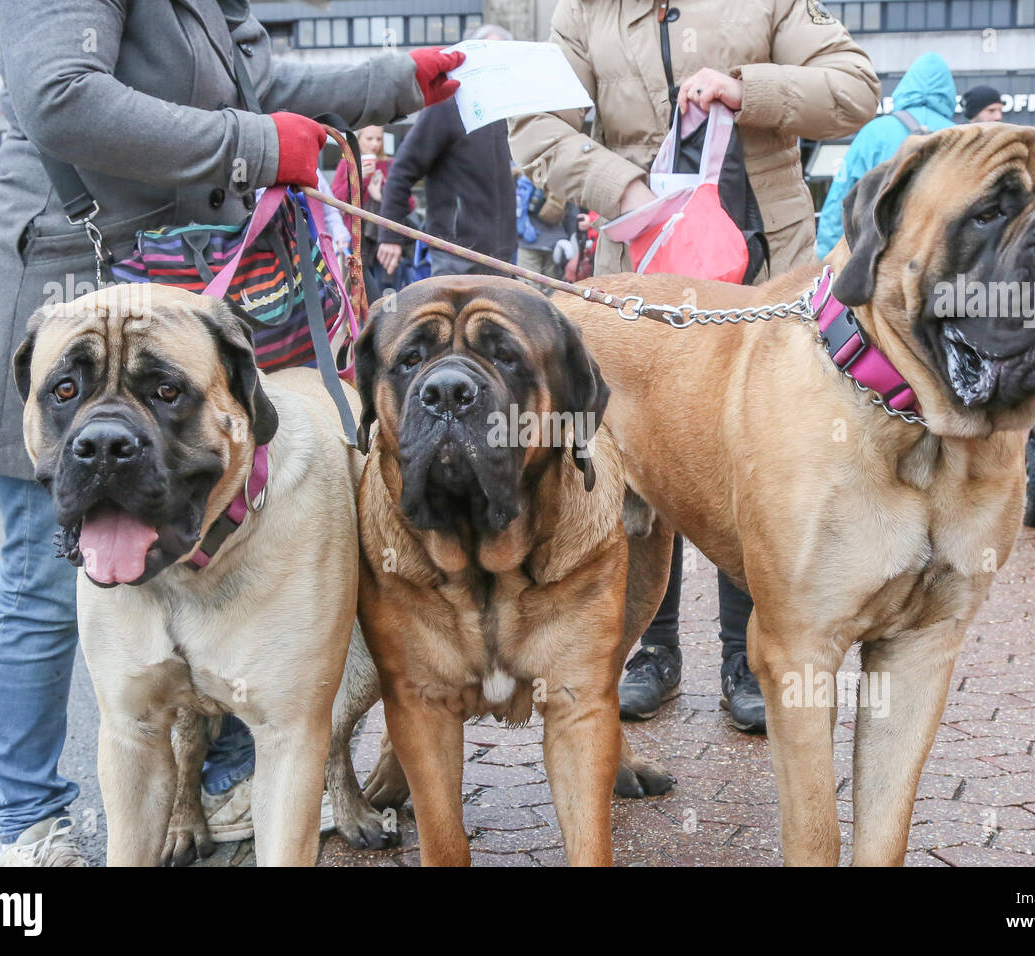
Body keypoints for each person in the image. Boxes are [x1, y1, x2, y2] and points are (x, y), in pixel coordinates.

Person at [0, 0, 461, 866]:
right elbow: (61, 94)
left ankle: (222, 779)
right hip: (67, 279)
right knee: (40, 578)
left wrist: (396, 80)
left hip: (188, 287)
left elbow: (260, 83)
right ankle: (29, 821)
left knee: (231, 546)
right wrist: (253, 146)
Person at [510, 0, 880, 734]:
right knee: (650, 450)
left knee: (763, 463)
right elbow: (535, 127)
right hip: (644, 270)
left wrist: (750, 90)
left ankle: (747, 657)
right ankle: (654, 649)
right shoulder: (580, 14)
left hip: (765, 271)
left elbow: (856, 87)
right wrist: (627, 188)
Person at [376, 23, 518, 281]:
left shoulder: (502, 110)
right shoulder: (447, 104)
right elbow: (403, 168)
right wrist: (390, 235)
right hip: (455, 255)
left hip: (501, 256)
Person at [816, 52, 956, 258]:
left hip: (877, 255)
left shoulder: (874, 132)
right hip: (938, 258)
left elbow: (840, 198)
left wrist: (826, 258)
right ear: (949, 92)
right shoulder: (958, 135)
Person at [330, 124, 407, 300]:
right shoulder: (347, 164)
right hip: (357, 236)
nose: (374, 144)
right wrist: (358, 178)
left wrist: (382, 194)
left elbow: (407, 202)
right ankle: (366, 326)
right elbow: (334, 200)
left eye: (379, 139)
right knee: (360, 291)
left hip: (385, 237)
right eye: (369, 138)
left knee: (387, 289)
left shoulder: (389, 164)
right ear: (358, 139)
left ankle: (388, 324)